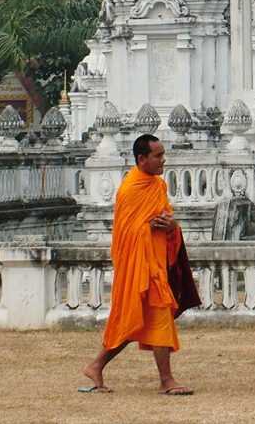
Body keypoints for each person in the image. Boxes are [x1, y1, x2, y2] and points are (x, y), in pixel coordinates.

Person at [81, 134, 198, 395]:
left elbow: (167, 221)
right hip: (138, 266)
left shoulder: (157, 186)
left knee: (138, 320)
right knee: (151, 318)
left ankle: (96, 364)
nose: (162, 160)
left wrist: (172, 227)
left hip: (155, 265)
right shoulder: (130, 189)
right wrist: (148, 228)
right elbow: (127, 233)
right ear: (141, 158)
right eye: (157, 156)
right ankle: (166, 380)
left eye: (163, 155)